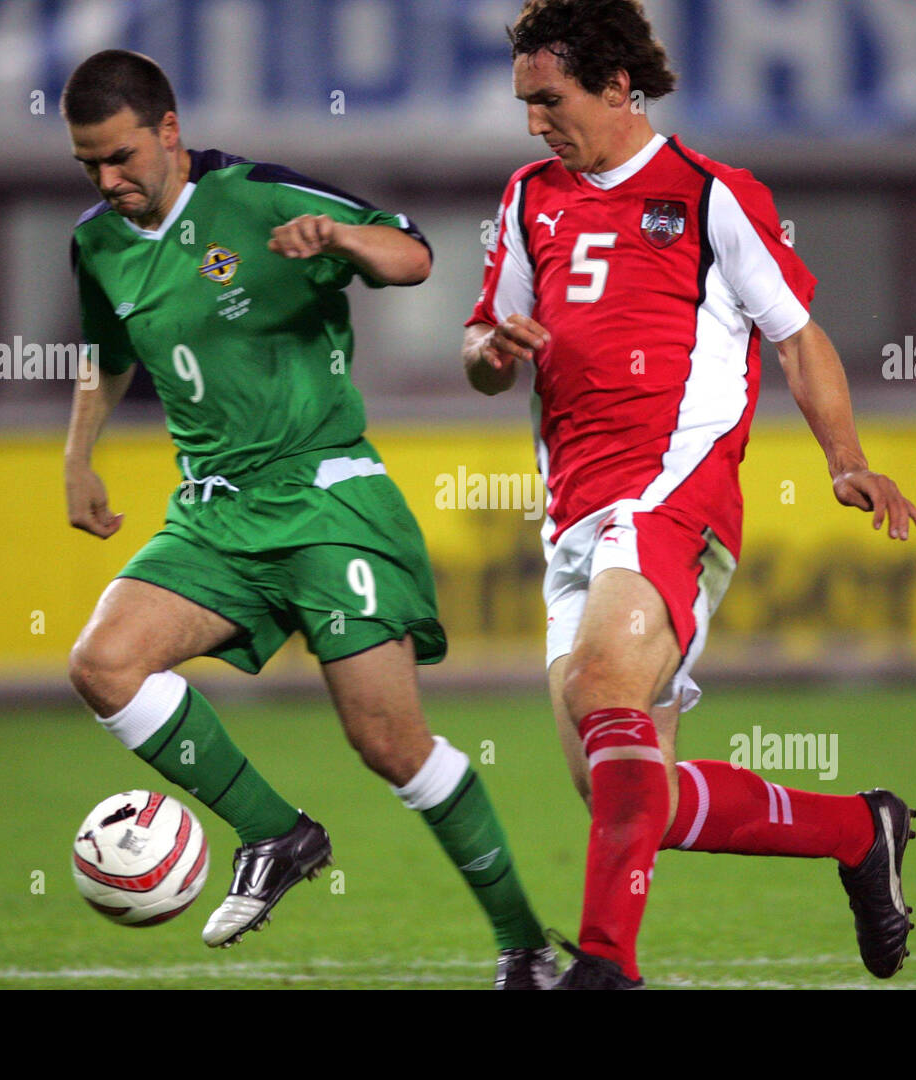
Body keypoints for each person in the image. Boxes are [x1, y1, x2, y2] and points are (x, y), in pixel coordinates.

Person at [62, 49, 554, 989]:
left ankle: (526, 946)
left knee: (389, 746)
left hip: (327, 500)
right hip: (214, 514)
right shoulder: (97, 243)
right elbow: (107, 353)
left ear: (169, 130)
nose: (108, 180)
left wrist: (336, 238)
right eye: (89, 164)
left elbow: (412, 255)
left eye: (122, 157)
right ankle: (277, 835)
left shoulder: (258, 196)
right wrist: (79, 457)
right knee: (103, 664)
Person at [462, 0, 916, 989]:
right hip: (574, 516)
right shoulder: (526, 198)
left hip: (674, 492)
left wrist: (844, 458)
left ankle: (604, 969)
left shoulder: (709, 195)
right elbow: (483, 350)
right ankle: (857, 831)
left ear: (618, 89)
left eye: (549, 101)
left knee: (599, 692)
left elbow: (796, 335)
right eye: (524, 106)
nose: (534, 122)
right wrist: (488, 352)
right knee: (628, 798)